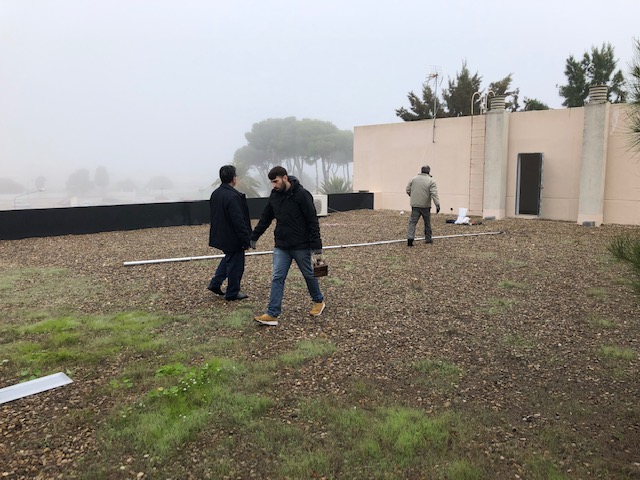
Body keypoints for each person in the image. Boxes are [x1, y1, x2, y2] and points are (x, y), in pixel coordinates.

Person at [250, 166, 325, 326]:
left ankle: (318, 301)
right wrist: (254, 236)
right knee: (277, 277)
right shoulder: (274, 195)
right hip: (281, 246)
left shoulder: (302, 194)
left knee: (309, 275)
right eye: (272, 182)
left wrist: (317, 246)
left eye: (276, 181)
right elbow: (266, 218)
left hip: (301, 245)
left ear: (285, 178)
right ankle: (272, 313)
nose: (274, 185)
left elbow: (312, 220)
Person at [207, 165, 251, 301]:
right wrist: (246, 239)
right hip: (233, 237)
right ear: (234, 178)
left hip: (220, 234)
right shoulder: (233, 196)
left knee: (229, 258)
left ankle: (215, 283)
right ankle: (232, 292)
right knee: (236, 265)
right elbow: (238, 220)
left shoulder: (215, 194)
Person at [406, 165, 440, 246]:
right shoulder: (431, 181)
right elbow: (434, 194)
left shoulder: (413, 179)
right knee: (427, 222)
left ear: (421, 171)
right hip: (425, 205)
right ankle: (428, 238)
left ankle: (410, 239)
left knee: (413, 222)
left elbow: (407, 190)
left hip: (415, 204)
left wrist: (413, 196)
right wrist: (437, 205)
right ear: (429, 171)